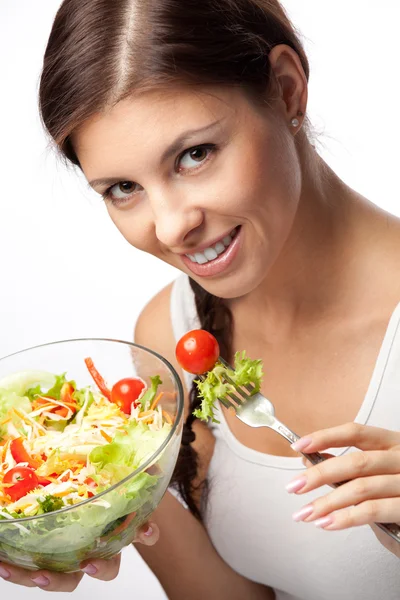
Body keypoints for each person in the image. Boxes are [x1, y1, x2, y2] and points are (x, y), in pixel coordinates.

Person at [2, 0, 400, 597]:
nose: (168, 228)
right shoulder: (172, 334)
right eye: (124, 189)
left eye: (194, 155)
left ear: (288, 90)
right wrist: (95, 501)